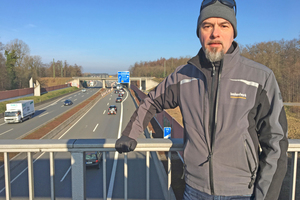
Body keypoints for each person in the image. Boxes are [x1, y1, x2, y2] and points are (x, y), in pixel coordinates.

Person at [115, 0, 288, 199]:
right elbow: (151, 101)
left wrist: (265, 196)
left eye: (224, 25)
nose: (215, 33)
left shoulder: (260, 78)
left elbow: (276, 142)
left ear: (233, 33)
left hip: (242, 192)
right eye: (207, 26)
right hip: (194, 190)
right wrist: (130, 134)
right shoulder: (183, 76)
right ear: (199, 33)